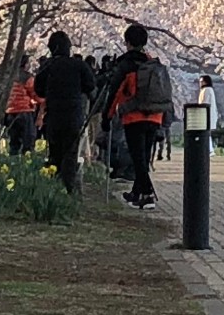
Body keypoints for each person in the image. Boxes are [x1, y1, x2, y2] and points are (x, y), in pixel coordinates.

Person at [104, 23, 170, 209]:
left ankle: (147, 194)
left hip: (134, 117)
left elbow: (115, 92)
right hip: (154, 116)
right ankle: (136, 193)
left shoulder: (127, 64)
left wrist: (107, 116)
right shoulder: (151, 63)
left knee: (137, 158)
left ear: (128, 42)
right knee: (143, 156)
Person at [31, 30, 95, 193]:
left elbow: (38, 90)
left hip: (54, 116)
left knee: (55, 152)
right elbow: (90, 86)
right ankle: (68, 188)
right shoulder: (79, 65)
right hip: (74, 115)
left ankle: (54, 187)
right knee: (70, 153)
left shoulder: (48, 66)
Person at [5, 67, 41, 154]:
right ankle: (26, 160)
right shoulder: (27, 77)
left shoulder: (8, 76)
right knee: (28, 139)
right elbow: (34, 93)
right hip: (24, 110)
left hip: (10, 111)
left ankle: (12, 161)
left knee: (14, 142)